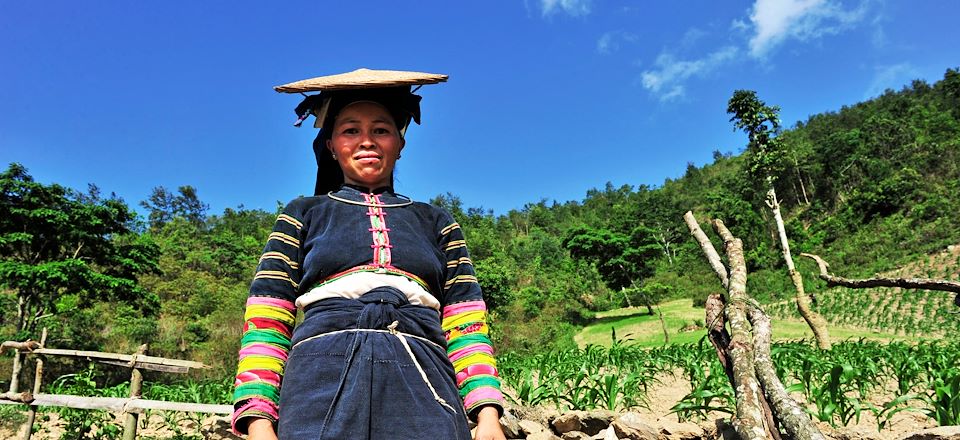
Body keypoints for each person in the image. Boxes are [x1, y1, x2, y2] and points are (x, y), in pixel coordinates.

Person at [231, 69, 506, 440]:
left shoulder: (436, 222)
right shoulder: (303, 214)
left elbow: (466, 324)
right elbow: (267, 317)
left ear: (399, 142)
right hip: (318, 379)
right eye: (350, 130)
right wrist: (258, 418)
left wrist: (487, 415)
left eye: (380, 129)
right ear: (331, 144)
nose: (366, 141)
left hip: (425, 379)